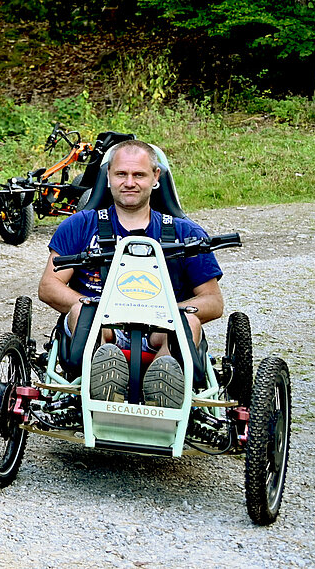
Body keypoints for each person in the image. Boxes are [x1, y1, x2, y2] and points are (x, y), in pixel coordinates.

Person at [38, 140, 223, 407]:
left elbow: (213, 301)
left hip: (161, 331)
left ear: (156, 177)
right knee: (82, 312)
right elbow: (49, 285)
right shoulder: (79, 226)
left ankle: (164, 386)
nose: (129, 183)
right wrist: (97, 308)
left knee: (188, 322)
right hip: (100, 327)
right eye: (121, 174)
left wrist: (169, 313)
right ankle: (104, 379)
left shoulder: (186, 233)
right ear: (108, 176)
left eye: (139, 175)